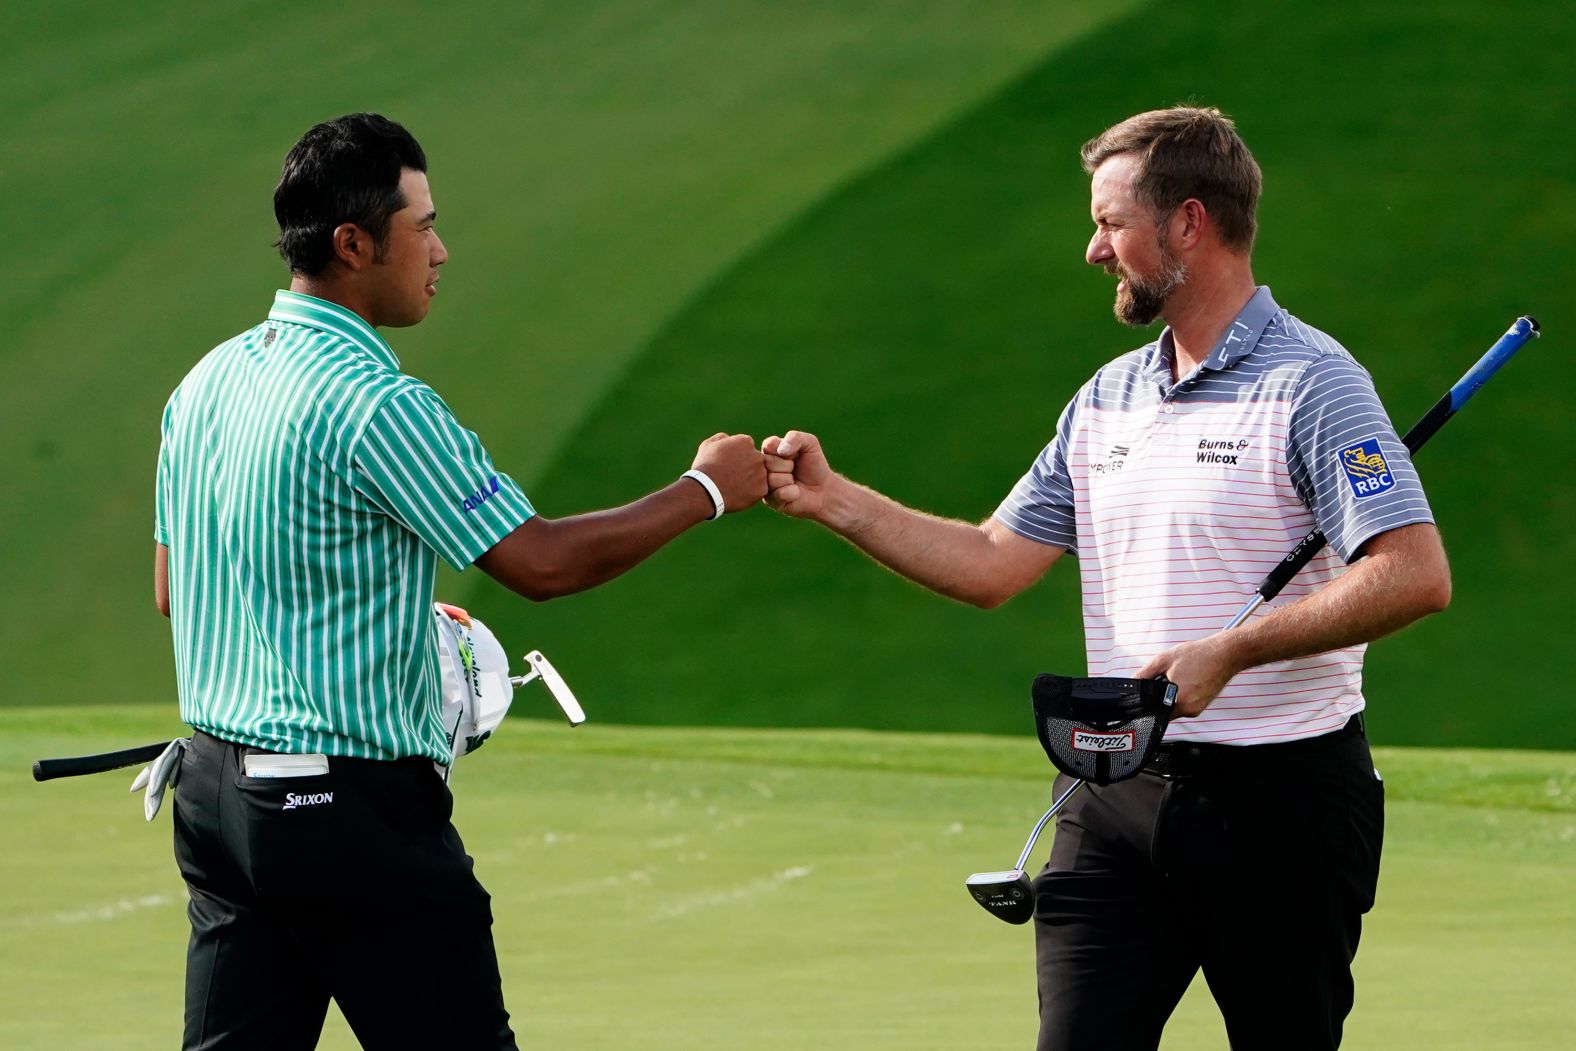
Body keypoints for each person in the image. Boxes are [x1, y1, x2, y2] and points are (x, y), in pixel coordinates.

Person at [762, 106, 1450, 1049]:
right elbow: (993, 563)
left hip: (1281, 806)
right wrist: (836, 500)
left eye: (1111, 221)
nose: (1094, 249)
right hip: (1112, 791)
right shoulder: (1108, 398)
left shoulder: (1313, 384)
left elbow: (1413, 573)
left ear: (1190, 224)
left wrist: (1236, 648)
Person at [153, 112, 766, 1050]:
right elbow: (542, 561)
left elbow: (179, 587)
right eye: (423, 226)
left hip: (214, 799)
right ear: (353, 244)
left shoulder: (207, 379)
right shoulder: (379, 404)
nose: (442, 250)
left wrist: (378, 603)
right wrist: (706, 490)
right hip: (350, 817)